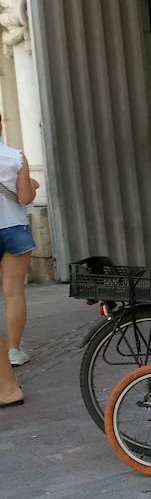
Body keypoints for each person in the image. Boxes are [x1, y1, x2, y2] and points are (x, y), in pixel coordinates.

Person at [0, 110, 38, 372]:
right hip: (13, 227)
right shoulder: (15, 157)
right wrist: (32, 184)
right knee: (13, 291)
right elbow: (25, 198)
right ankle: (14, 350)